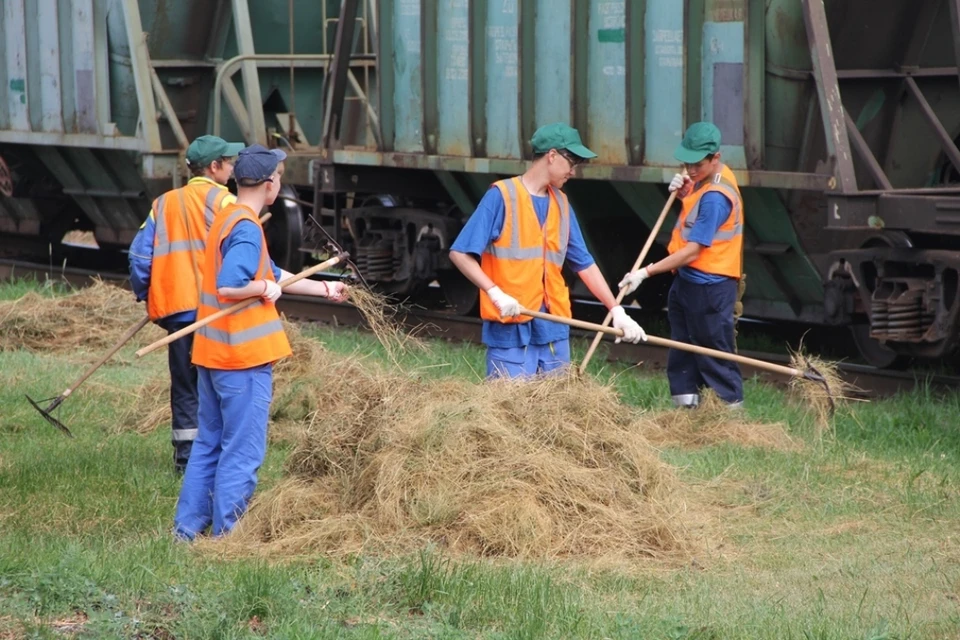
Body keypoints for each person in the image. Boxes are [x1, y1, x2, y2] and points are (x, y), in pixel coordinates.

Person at [173, 144, 347, 541]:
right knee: (243, 452)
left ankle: (186, 531)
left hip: (214, 355)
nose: (279, 184)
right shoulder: (248, 229)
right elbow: (232, 284)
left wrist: (324, 289)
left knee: (209, 445)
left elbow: (271, 273)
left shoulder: (229, 216)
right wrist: (261, 287)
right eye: (281, 178)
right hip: (243, 361)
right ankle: (229, 537)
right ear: (270, 185)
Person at [448, 122, 646, 378]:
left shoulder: (562, 203)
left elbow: (584, 262)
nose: (574, 171)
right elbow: (460, 254)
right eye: (572, 161)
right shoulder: (502, 196)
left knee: (555, 411)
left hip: (553, 328)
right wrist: (495, 294)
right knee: (510, 411)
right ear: (552, 156)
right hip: (511, 328)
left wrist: (615, 309)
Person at [129, 135, 245, 473]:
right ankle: (218, 455)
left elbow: (139, 256)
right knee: (218, 383)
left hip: (179, 314)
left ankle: (186, 460)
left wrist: (147, 292)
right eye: (229, 161)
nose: (233, 167)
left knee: (185, 385)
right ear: (214, 167)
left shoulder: (162, 204)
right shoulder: (226, 203)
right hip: (217, 311)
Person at [618, 122, 744, 408]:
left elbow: (692, 251)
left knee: (714, 354)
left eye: (697, 165)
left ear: (716, 158)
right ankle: (685, 411)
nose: (690, 170)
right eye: (686, 163)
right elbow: (695, 207)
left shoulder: (716, 197)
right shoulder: (707, 181)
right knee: (682, 350)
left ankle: (729, 416)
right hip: (688, 282)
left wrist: (645, 272)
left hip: (710, 287)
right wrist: (688, 190)